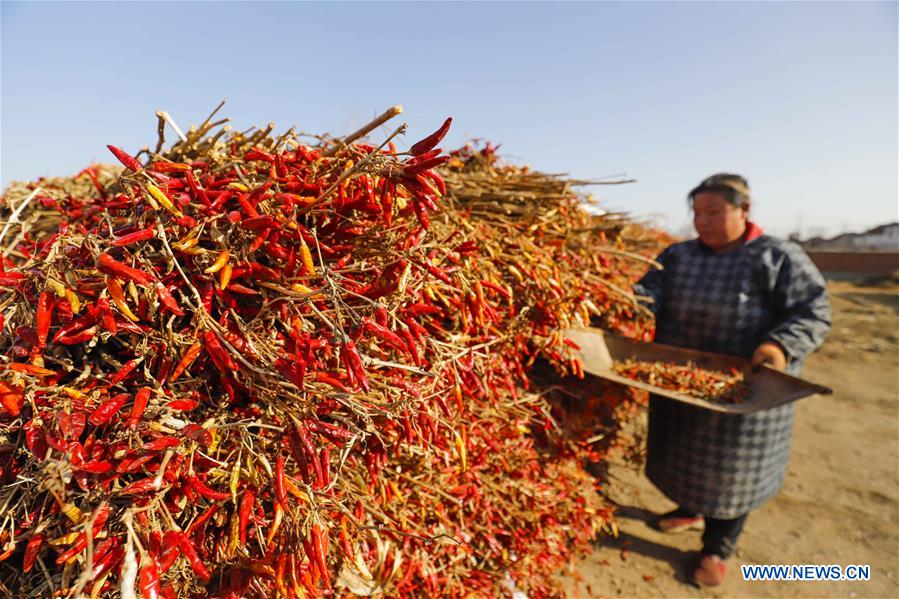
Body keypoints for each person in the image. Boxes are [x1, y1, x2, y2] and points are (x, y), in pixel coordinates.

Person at [633, 173, 831, 587]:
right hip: (683, 380)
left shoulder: (777, 256)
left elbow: (812, 311)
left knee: (733, 472)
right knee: (683, 453)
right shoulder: (677, 256)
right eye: (697, 213)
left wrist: (778, 346)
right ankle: (689, 508)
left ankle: (717, 548)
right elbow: (644, 294)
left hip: (748, 388)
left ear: (744, 210)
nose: (702, 222)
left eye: (713, 212)